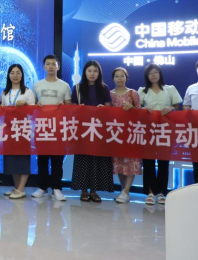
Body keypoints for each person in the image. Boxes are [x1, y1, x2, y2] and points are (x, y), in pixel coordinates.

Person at [138, 63, 182, 205]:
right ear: (147, 76)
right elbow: (137, 108)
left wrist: (171, 108)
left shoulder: (170, 89)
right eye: (150, 73)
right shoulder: (142, 91)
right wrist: (143, 109)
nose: (153, 75)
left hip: (165, 130)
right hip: (148, 130)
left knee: (164, 161)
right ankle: (150, 192)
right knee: (148, 161)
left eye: (156, 72)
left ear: (160, 74)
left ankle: (162, 192)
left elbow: (177, 106)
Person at [71, 60, 113, 202]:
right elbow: (72, 107)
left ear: (99, 73)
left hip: (99, 129)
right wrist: (79, 108)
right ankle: (83, 190)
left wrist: (103, 108)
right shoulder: (77, 88)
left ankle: (94, 190)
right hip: (83, 129)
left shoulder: (104, 88)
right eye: (89, 71)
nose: (92, 74)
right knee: (83, 158)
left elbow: (108, 107)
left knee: (97, 158)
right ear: (85, 72)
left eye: (95, 71)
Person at [32, 54, 71, 201]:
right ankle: (42, 187)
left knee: (57, 159)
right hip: (42, 126)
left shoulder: (64, 85)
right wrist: (36, 105)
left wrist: (63, 106)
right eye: (48, 64)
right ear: (43, 66)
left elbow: (69, 107)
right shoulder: (37, 85)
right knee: (42, 159)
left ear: (58, 67)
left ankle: (57, 188)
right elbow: (32, 106)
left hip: (58, 127)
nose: (50, 66)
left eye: (53, 64)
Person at [1, 64, 36, 199]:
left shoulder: (28, 92)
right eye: (12, 73)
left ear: (22, 75)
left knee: (23, 158)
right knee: (11, 159)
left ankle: (22, 189)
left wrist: (25, 105)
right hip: (9, 129)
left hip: (23, 129)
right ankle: (16, 187)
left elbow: (33, 112)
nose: (15, 76)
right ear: (8, 75)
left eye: (18, 73)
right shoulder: (5, 92)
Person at [110, 67, 141, 204]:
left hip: (131, 133)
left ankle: (126, 191)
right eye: (116, 76)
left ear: (126, 78)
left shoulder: (133, 93)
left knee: (132, 162)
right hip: (116, 133)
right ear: (113, 78)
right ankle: (124, 191)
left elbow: (140, 112)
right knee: (119, 163)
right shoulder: (109, 94)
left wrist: (132, 108)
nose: (119, 78)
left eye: (122, 76)